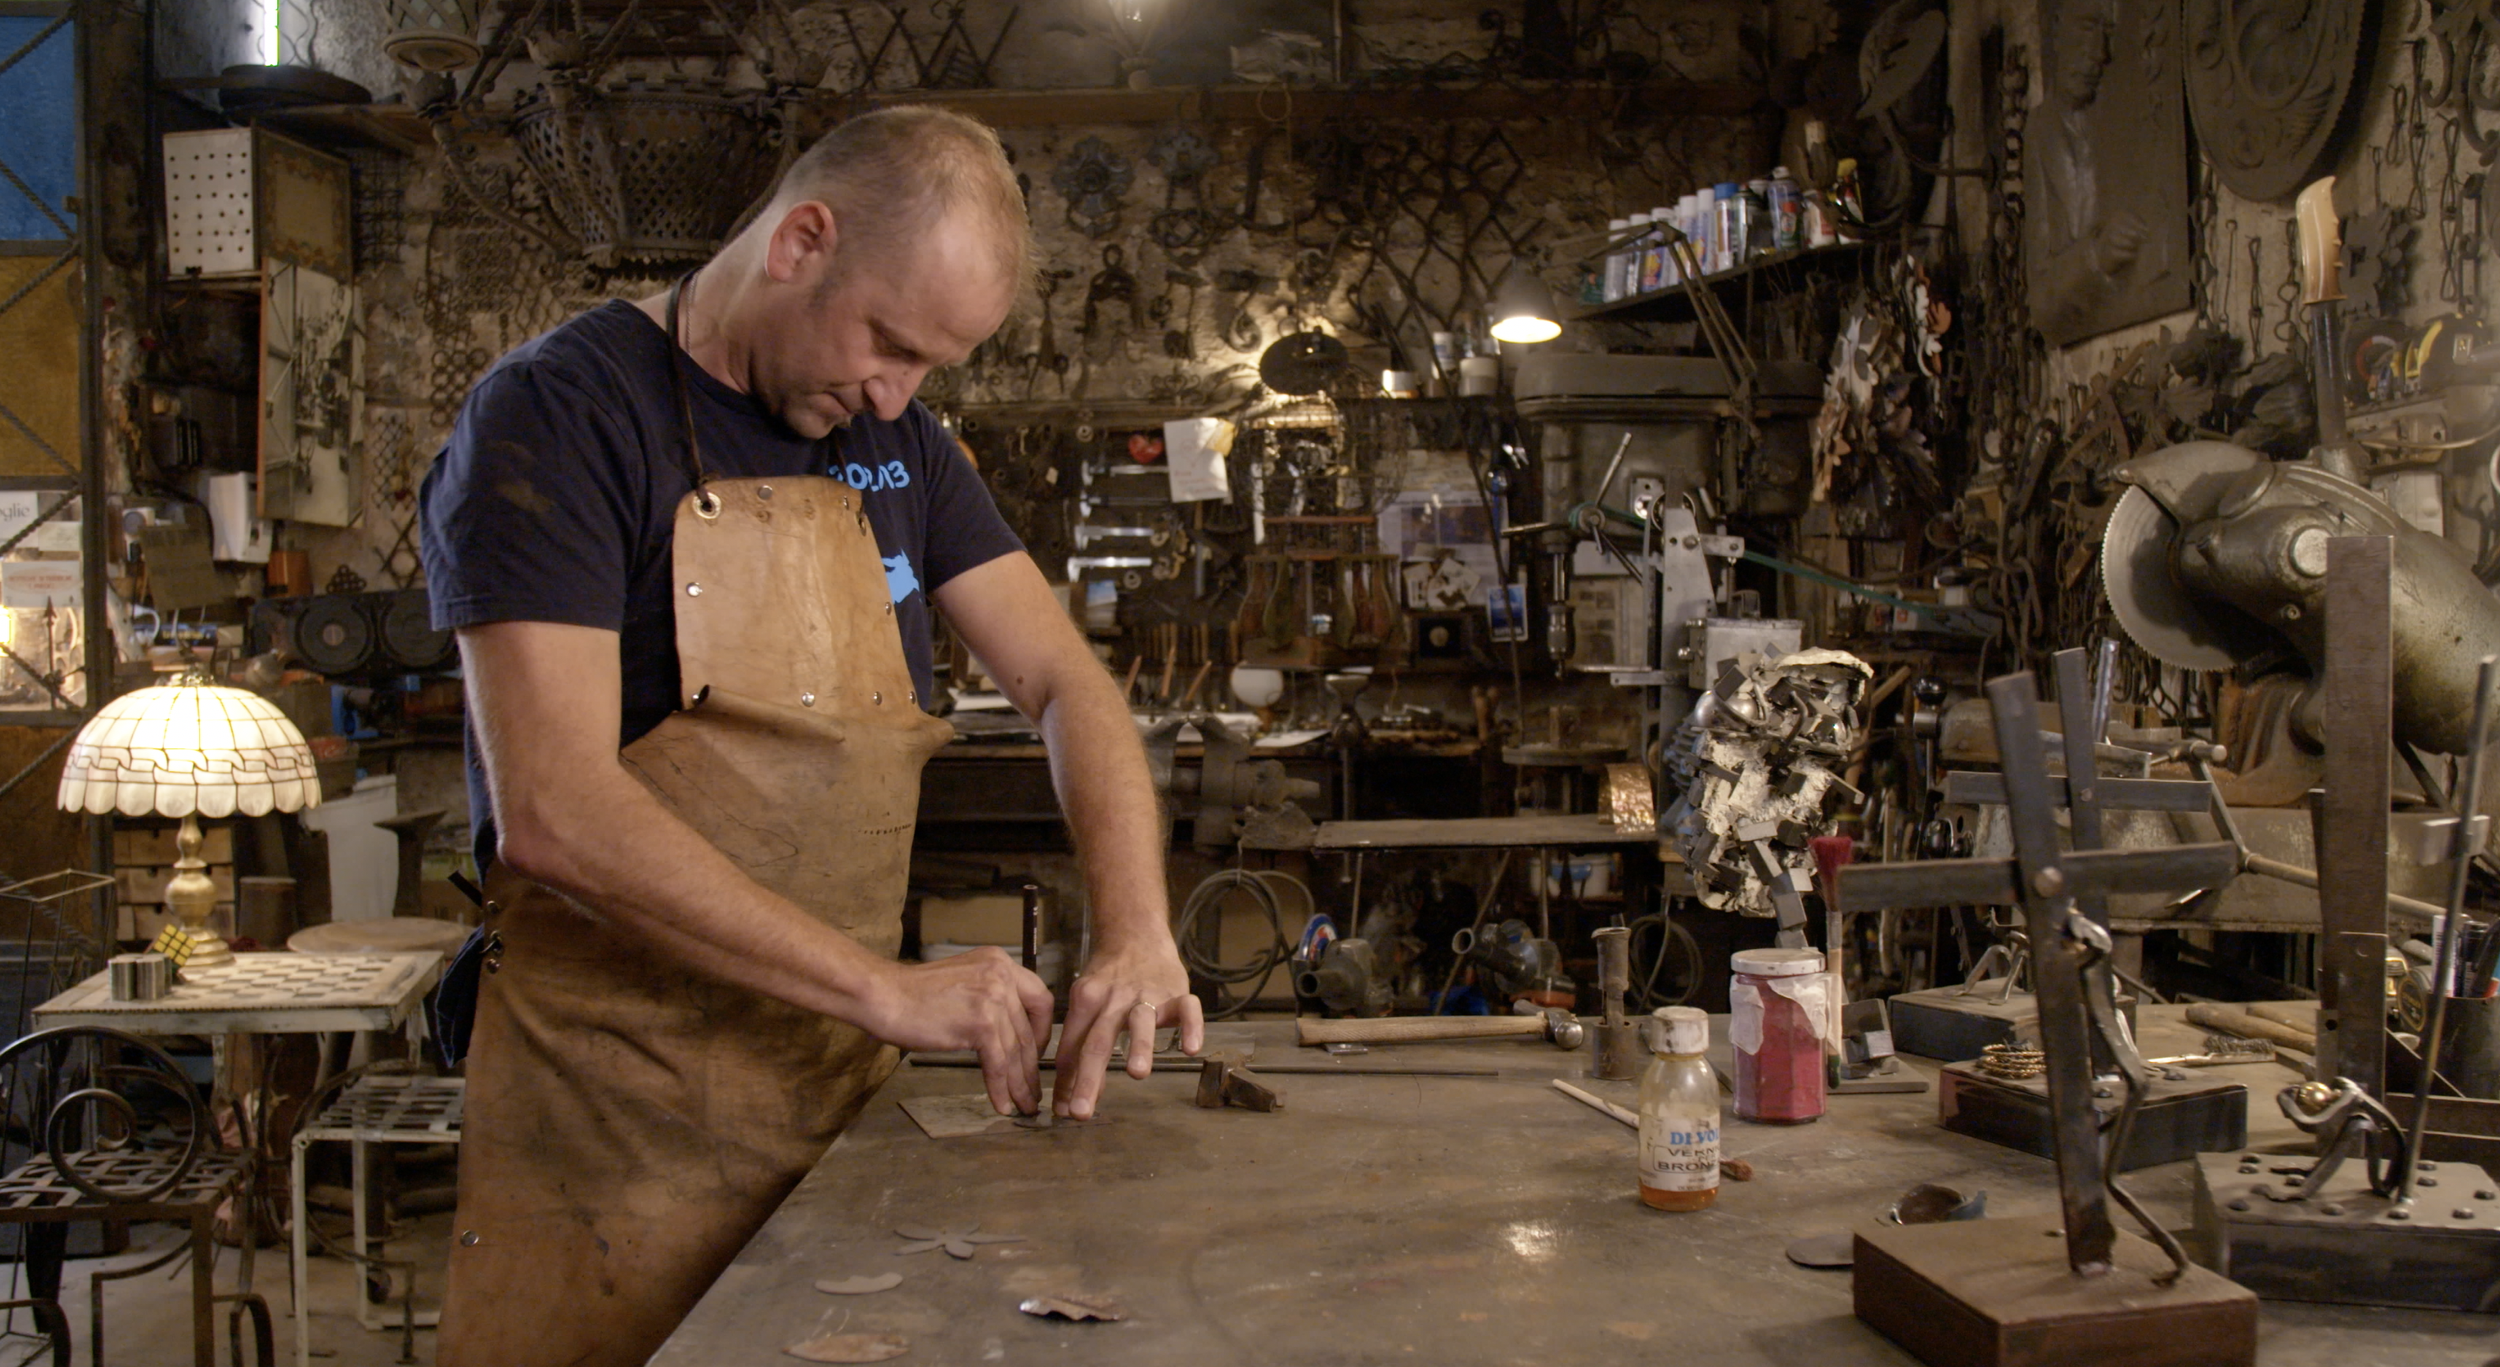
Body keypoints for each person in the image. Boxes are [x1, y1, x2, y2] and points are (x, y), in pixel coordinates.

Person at [417, 106, 1201, 1366]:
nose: (895, 392)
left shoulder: (896, 438)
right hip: (612, 1106)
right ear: (801, 240)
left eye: (930, 367)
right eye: (888, 343)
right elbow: (554, 809)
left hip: (831, 1085)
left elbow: (1065, 680)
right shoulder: (556, 418)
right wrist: (885, 988)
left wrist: (1136, 926)